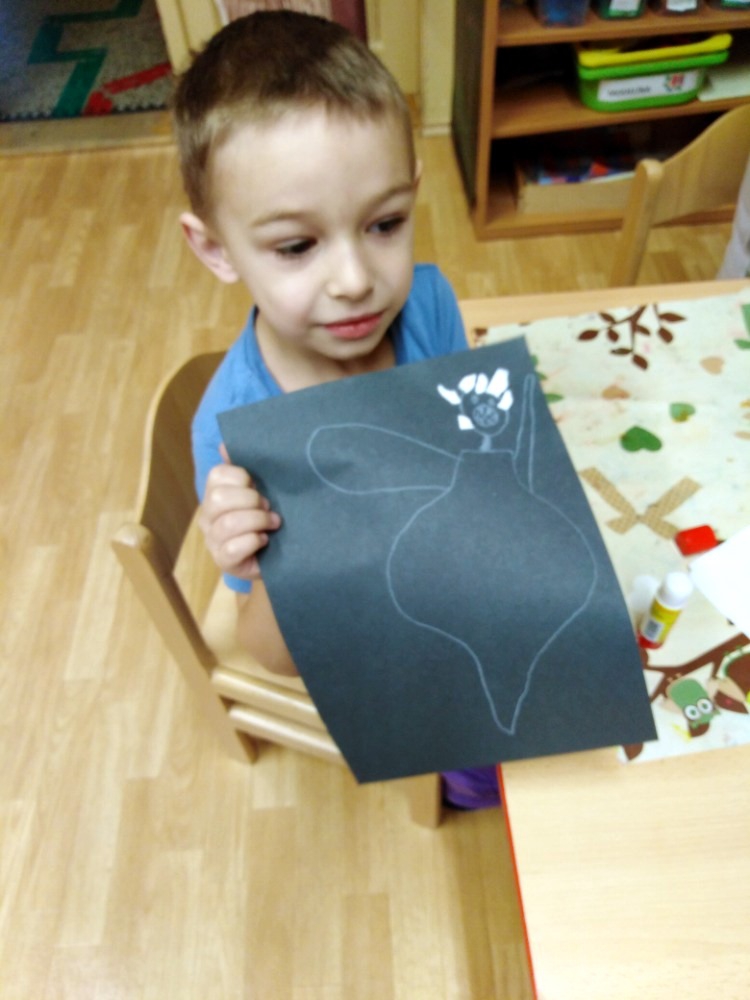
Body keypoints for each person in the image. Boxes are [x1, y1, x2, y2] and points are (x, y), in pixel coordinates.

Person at [173, 10, 500, 808]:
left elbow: (470, 447)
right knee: (496, 772)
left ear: (412, 194)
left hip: (458, 568)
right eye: (297, 246)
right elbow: (275, 655)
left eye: (385, 224)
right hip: (368, 636)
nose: (356, 280)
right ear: (215, 247)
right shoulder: (236, 432)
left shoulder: (427, 303)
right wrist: (267, 566)